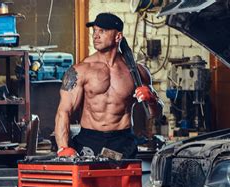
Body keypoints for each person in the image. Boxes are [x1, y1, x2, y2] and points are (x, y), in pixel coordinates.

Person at [55, 12, 163, 159]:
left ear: (118, 37)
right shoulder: (80, 70)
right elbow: (64, 111)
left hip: (122, 142)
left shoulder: (137, 72)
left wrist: (152, 100)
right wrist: (63, 147)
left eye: (102, 31)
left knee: (123, 182)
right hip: (89, 141)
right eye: (95, 31)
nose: (95, 36)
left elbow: (155, 114)